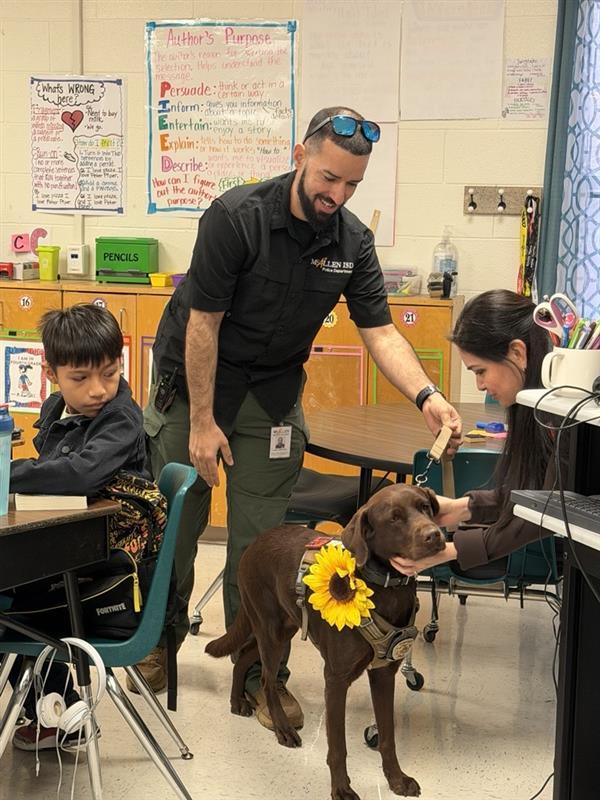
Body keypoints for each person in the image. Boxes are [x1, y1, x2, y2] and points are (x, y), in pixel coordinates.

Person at [141, 106, 462, 727]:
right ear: (299, 156)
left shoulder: (351, 243)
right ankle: (158, 643)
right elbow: (202, 324)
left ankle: (263, 675)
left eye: (351, 186)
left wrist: (428, 395)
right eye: (327, 178)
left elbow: (380, 330)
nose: (336, 195)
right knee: (177, 530)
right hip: (196, 389)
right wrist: (203, 422)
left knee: (261, 541)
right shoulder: (236, 219)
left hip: (271, 396)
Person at [7, 303, 147, 751]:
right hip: (64, 553)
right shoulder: (54, 409)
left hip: (105, 575)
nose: (99, 389)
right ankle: (52, 710)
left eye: (109, 373)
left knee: (8, 611)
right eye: (80, 378)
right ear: (51, 374)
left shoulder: (120, 417)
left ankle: (60, 713)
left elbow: (80, 474)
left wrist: (8, 473)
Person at [391, 288, 565, 577]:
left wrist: (451, 551)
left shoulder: (566, 416)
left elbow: (546, 512)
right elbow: (529, 495)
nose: (480, 386)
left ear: (518, 353)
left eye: (480, 371)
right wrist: (463, 507)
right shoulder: (535, 410)